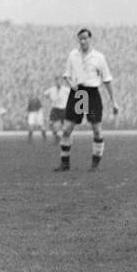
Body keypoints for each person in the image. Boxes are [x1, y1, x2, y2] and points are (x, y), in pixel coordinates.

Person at [56, 29, 120, 172]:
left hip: (91, 94)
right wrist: (70, 82)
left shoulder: (98, 57)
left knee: (97, 130)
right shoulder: (73, 55)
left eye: (85, 38)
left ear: (90, 39)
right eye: (80, 39)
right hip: (78, 93)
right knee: (67, 129)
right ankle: (64, 163)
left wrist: (114, 101)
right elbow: (67, 74)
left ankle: (95, 165)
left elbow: (107, 79)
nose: (83, 41)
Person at [45, 75, 69, 141]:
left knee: (64, 125)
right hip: (55, 109)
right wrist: (50, 99)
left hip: (63, 109)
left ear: (62, 82)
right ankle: (56, 135)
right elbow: (45, 94)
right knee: (51, 123)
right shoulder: (52, 89)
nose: (58, 82)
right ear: (55, 82)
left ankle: (65, 136)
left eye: (60, 81)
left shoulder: (66, 89)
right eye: (57, 81)